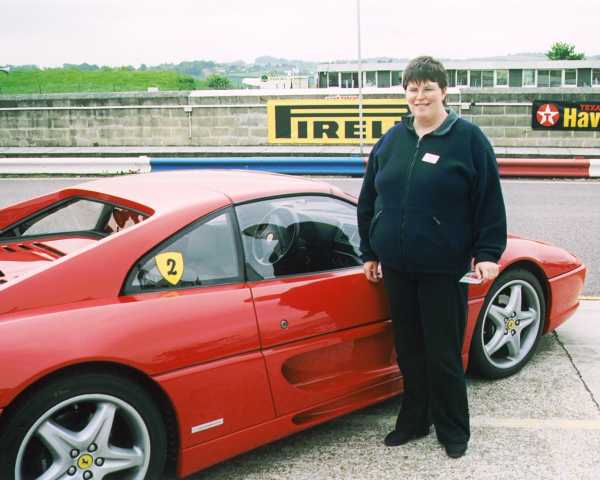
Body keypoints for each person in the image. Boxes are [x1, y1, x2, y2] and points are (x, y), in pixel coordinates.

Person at [357, 56, 507, 459]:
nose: (419, 95)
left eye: (427, 87)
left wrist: (488, 253)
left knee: (442, 353)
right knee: (409, 350)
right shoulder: (391, 140)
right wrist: (369, 250)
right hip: (398, 267)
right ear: (404, 92)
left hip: (443, 267)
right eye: (412, 87)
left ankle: (453, 428)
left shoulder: (468, 139)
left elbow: (488, 201)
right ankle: (414, 420)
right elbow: (370, 197)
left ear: (444, 91)